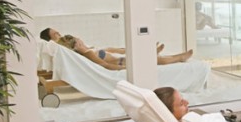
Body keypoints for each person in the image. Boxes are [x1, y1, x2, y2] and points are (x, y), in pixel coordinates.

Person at [57, 34, 192, 71]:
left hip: (121, 57)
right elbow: (105, 65)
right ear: (76, 47)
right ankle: (180, 57)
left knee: (153, 58)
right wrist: (125, 69)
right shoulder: (88, 54)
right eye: (79, 43)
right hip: (122, 62)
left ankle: (152, 52)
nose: (81, 41)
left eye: (79, 39)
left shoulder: (88, 50)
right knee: (157, 60)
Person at [40, 27, 165, 54]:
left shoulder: (60, 42)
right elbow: (76, 49)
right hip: (89, 52)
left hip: (89, 50)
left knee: (119, 49)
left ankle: (148, 50)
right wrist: (87, 48)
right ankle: (149, 52)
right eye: (55, 33)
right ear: (50, 37)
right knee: (115, 50)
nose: (58, 32)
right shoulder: (56, 44)